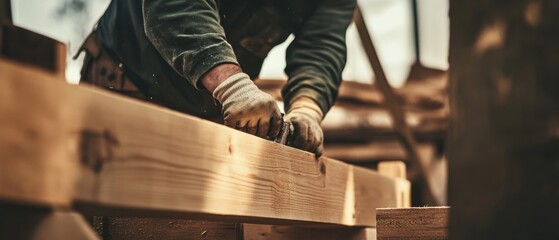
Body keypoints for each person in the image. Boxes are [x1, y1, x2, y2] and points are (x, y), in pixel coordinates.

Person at [78, 0, 356, 156]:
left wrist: (308, 109)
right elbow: (179, 6)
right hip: (129, 81)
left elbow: (321, 46)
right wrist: (231, 85)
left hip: (210, 112)